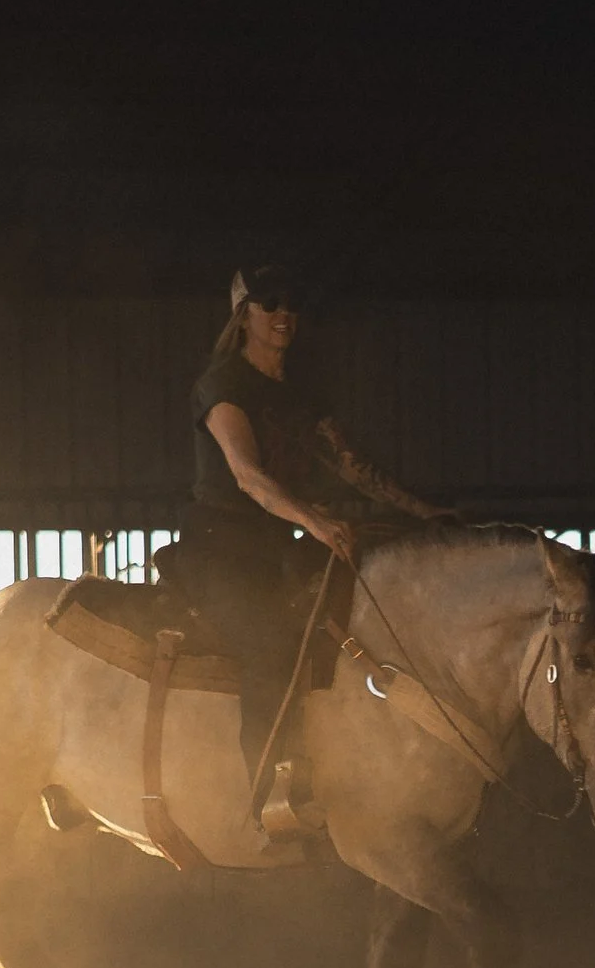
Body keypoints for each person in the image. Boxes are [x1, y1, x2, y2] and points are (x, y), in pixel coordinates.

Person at [181, 265, 451, 834]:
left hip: (278, 546)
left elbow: (353, 466)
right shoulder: (223, 385)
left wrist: (424, 514)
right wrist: (315, 521)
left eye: (292, 303)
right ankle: (268, 800)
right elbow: (249, 477)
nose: (283, 313)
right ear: (244, 315)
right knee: (267, 647)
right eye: (269, 303)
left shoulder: (300, 394)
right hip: (220, 548)